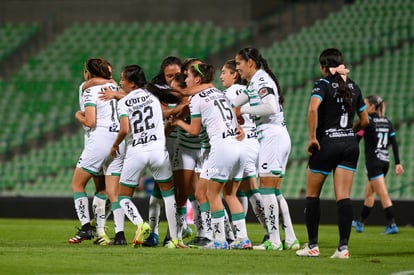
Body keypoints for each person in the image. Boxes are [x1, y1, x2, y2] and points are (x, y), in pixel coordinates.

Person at [295, 48, 369, 259]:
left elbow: (312, 109)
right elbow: (365, 121)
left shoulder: (323, 84)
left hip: (326, 145)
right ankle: (343, 248)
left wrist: (312, 138)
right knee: (343, 196)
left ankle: (312, 246)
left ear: (323, 66)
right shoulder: (354, 86)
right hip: (349, 145)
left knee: (312, 195)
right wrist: (349, 133)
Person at [172, 63, 251, 249]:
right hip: (239, 146)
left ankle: (219, 240)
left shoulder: (197, 98)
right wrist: (239, 129)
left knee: (211, 194)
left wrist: (177, 122)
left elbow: (194, 130)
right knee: (215, 193)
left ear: (197, 79)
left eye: (188, 76)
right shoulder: (219, 93)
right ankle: (243, 238)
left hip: (221, 148)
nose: (186, 80)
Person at [110, 64, 185, 248]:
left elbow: (125, 129)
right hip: (158, 151)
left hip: (137, 151)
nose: (121, 83)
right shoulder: (153, 97)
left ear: (132, 83)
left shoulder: (123, 103)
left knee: (123, 197)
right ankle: (174, 239)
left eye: (123, 79)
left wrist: (115, 144)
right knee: (168, 196)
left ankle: (140, 224)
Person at [231, 47, 299, 250]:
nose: (237, 68)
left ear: (250, 62)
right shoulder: (255, 83)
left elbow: (271, 107)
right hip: (277, 135)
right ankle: (291, 238)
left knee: (267, 189)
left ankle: (274, 241)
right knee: (275, 192)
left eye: (238, 63)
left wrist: (242, 110)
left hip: (272, 136)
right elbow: (234, 102)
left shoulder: (261, 81)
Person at [68, 57, 125, 245]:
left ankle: (86, 227)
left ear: (88, 73)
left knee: (77, 185)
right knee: (105, 189)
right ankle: (102, 233)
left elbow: (90, 121)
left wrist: (78, 116)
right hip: (118, 141)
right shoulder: (115, 88)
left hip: (99, 140)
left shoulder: (88, 89)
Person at [220, 59, 269, 243]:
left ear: (235, 74)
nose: (221, 76)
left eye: (224, 72)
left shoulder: (228, 94)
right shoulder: (248, 91)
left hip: (239, 141)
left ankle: (242, 234)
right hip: (253, 142)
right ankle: (268, 232)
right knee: (245, 189)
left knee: (233, 191)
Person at [352, 95, 404, 234]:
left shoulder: (367, 121)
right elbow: (394, 143)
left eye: (365, 104)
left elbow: (356, 139)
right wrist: (397, 163)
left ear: (372, 107)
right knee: (369, 193)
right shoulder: (387, 121)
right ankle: (360, 223)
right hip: (385, 161)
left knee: (383, 194)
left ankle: (392, 224)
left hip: (373, 162)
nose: (363, 107)